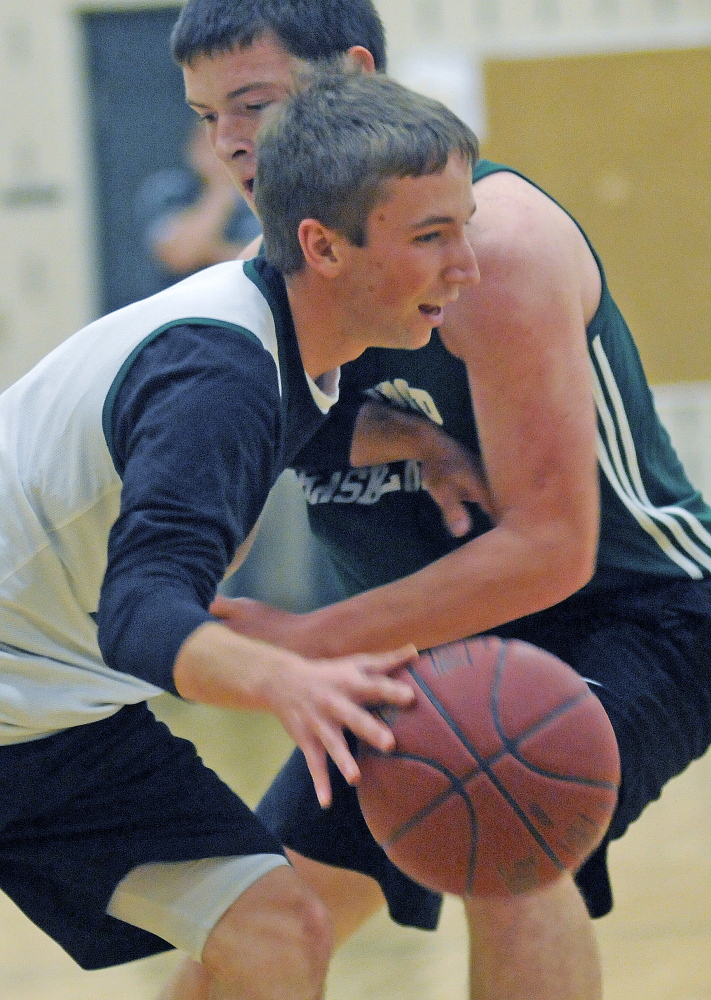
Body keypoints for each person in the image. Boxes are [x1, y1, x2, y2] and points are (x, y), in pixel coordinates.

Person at [170, 2, 711, 998]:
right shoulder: (269, 272)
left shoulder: (486, 250)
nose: (231, 141)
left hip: (629, 611)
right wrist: (387, 433)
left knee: (499, 828)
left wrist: (302, 642)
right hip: (417, 643)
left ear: (355, 72)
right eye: (207, 116)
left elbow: (553, 547)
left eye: (251, 101)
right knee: (259, 919)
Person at [0, 71, 482, 1000]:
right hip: (45, 686)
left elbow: (298, 422)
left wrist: (412, 441)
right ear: (322, 246)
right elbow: (139, 612)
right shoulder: (219, 376)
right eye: (432, 237)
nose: (467, 266)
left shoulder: (277, 329)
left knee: (276, 929)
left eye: (464, 227)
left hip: (46, 714)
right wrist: (290, 679)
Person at [133, 120, 262, 295]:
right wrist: (221, 187)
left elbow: (274, 268)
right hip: (182, 307)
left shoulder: (265, 194)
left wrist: (207, 252)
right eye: (210, 141)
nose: (220, 151)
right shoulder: (169, 189)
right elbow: (180, 254)